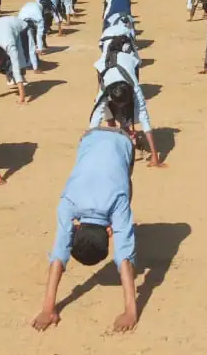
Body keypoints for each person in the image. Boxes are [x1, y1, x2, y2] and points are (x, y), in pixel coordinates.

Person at [31, 127, 154, 333]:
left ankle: (121, 215)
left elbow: (59, 252)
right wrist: (130, 311)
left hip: (117, 140)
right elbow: (124, 253)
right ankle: (121, 219)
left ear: (108, 231)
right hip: (92, 137)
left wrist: (47, 308)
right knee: (122, 184)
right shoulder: (69, 202)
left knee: (123, 183)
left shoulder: (108, 201)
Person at [90, 57, 161, 165]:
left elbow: (144, 118)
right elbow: (95, 120)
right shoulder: (103, 93)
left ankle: (125, 130)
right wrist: (90, 145)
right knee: (109, 117)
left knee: (126, 117)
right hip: (104, 67)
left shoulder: (136, 89)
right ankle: (116, 137)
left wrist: (155, 155)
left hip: (128, 61)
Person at [0, 15, 32, 105]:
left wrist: (22, 97)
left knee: (21, 62)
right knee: (3, 68)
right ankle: (10, 75)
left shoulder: (9, 45)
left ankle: (18, 77)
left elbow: (16, 68)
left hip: (20, 27)